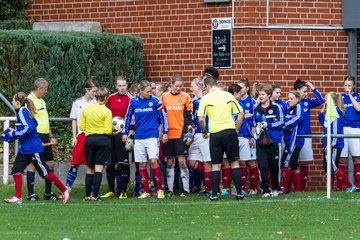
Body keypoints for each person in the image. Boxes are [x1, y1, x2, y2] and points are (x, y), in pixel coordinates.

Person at [3, 92, 69, 204]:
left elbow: (28, 127)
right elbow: (35, 123)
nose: (12, 102)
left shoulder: (23, 112)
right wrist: (17, 133)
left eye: (13, 101)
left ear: (18, 103)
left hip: (33, 148)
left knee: (45, 174)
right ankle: (18, 197)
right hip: (26, 148)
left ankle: (64, 190)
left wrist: (15, 134)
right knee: (16, 170)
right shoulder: (22, 112)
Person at [198, 76, 245, 201]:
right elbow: (241, 113)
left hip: (215, 134)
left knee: (215, 165)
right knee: (234, 163)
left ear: (207, 86)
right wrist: (236, 129)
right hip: (229, 132)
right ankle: (239, 193)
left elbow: (201, 119)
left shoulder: (205, 98)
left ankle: (213, 195)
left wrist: (203, 130)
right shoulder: (228, 96)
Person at [122, 80, 169, 199]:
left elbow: (163, 117)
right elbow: (127, 117)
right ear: (141, 91)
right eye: (148, 91)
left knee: (153, 161)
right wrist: (125, 132)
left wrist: (164, 132)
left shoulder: (155, 101)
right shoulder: (133, 102)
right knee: (141, 163)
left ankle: (159, 189)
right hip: (139, 137)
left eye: (151, 91)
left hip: (152, 136)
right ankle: (146, 191)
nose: (150, 93)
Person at [161, 75, 193, 196]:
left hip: (181, 132)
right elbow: (161, 115)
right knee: (170, 161)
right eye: (177, 86)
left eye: (181, 86)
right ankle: (169, 189)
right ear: (171, 84)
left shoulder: (185, 97)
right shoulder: (164, 97)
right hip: (168, 133)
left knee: (182, 162)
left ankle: (186, 189)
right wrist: (162, 132)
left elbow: (189, 115)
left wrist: (189, 132)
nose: (179, 88)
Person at [27, 78, 58, 201]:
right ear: (39, 89)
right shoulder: (29, 101)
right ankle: (31, 194)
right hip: (36, 136)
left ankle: (48, 193)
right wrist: (34, 139)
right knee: (32, 165)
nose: (47, 91)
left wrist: (51, 136)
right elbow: (28, 121)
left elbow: (45, 120)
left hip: (45, 136)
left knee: (50, 163)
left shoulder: (42, 101)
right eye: (45, 89)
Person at [101, 76, 133, 199]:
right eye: (119, 86)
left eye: (124, 85)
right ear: (116, 86)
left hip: (123, 136)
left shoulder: (131, 99)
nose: (122, 88)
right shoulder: (111, 98)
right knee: (110, 163)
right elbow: (106, 114)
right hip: (110, 135)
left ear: (127, 85)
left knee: (123, 163)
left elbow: (132, 117)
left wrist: (128, 132)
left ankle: (123, 191)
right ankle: (111, 190)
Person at [318, 92, 356, 192]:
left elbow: (334, 132)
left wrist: (330, 145)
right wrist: (321, 113)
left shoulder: (335, 112)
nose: (324, 101)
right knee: (327, 167)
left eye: (326, 99)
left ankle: (349, 186)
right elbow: (325, 125)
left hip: (334, 145)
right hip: (328, 144)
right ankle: (329, 190)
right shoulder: (330, 111)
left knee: (333, 166)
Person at [79, 87, 112, 201]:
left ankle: (88, 195)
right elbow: (108, 130)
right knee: (99, 169)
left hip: (89, 140)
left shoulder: (87, 109)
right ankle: (95, 196)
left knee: (89, 169)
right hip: (103, 140)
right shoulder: (107, 111)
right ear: (106, 98)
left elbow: (81, 127)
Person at [65, 80, 97, 192]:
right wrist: (74, 137)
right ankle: (67, 188)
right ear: (87, 90)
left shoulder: (97, 102)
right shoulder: (77, 103)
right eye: (93, 91)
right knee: (75, 163)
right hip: (82, 135)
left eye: (96, 91)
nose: (95, 93)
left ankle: (92, 189)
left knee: (91, 164)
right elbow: (74, 120)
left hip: (93, 135)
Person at [253, 84, 284, 197]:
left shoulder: (276, 107)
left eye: (263, 94)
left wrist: (269, 125)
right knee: (262, 166)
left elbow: (281, 122)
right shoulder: (256, 108)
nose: (260, 96)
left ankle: (276, 188)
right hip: (260, 142)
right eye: (259, 94)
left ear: (269, 95)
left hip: (274, 141)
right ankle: (265, 189)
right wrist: (254, 133)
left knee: (274, 167)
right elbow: (253, 124)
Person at [294, 79, 324, 191]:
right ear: (297, 90)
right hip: (294, 136)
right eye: (304, 91)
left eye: (307, 91)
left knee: (304, 161)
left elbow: (320, 100)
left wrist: (313, 87)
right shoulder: (292, 102)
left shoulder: (307, 102)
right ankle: (293, 188)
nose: (306, 93)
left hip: (306, 135)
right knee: (292, 162)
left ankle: (301, 189)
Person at [187, 77, 212, 195]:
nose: (190, 88)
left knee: (208, 161)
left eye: (192, 85)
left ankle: (208, 189)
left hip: (205, 133)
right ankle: (213, 173)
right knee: (190, 161)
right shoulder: (192, 101)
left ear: (199, 87)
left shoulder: (206, 100)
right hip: (195, 135)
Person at [238, 78, 259, 195]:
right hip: (240, 135)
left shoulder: (252, 102)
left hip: (250, 136)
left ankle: (254, 188)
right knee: (241, 162)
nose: (240, 90)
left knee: (252, 162)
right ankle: (242, 188)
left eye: (241, 87)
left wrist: (253, 136)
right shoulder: (236, 102)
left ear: (246, 88)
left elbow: (256, 120)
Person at [281, 91, 304, 193]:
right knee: (293, 163)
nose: (289, 100)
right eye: (288, 98)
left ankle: (285, 188)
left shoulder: (298, 107)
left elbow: (298, 118)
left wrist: (286, 124)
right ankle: (297, 190)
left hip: (295, 140)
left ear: (297, 99)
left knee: (285, 161)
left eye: (292, 98)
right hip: (288, 140)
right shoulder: (287, 108)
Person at [339, 76, 360, 190]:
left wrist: (350, 95)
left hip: (355, 129)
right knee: (342, 158)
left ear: (353, 86)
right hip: (343, 129)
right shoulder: (340, 97)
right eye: (345, 85)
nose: (347, 87)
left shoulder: (358, 96)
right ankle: (340, 187)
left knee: (357, 157)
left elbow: (358, 108)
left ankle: (358, 186)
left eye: (349, 85)